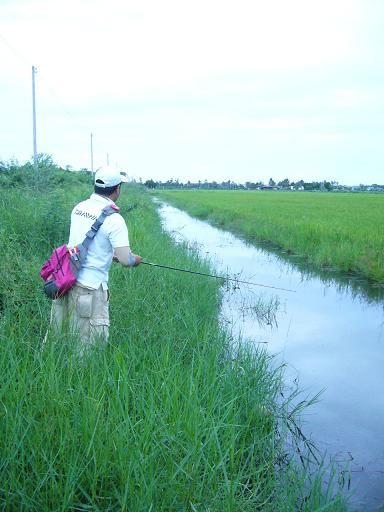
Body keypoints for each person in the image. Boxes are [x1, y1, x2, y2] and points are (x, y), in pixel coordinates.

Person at [48, 166, 141, 350]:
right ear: (117, 189)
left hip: (65, 282)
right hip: (90, 290)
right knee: (88, 350)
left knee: (60, 340)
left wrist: (109, 255)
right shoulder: (114, 220)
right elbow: (125, 259)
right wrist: (135, 259)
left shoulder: (79, 208)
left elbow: (83, 243)